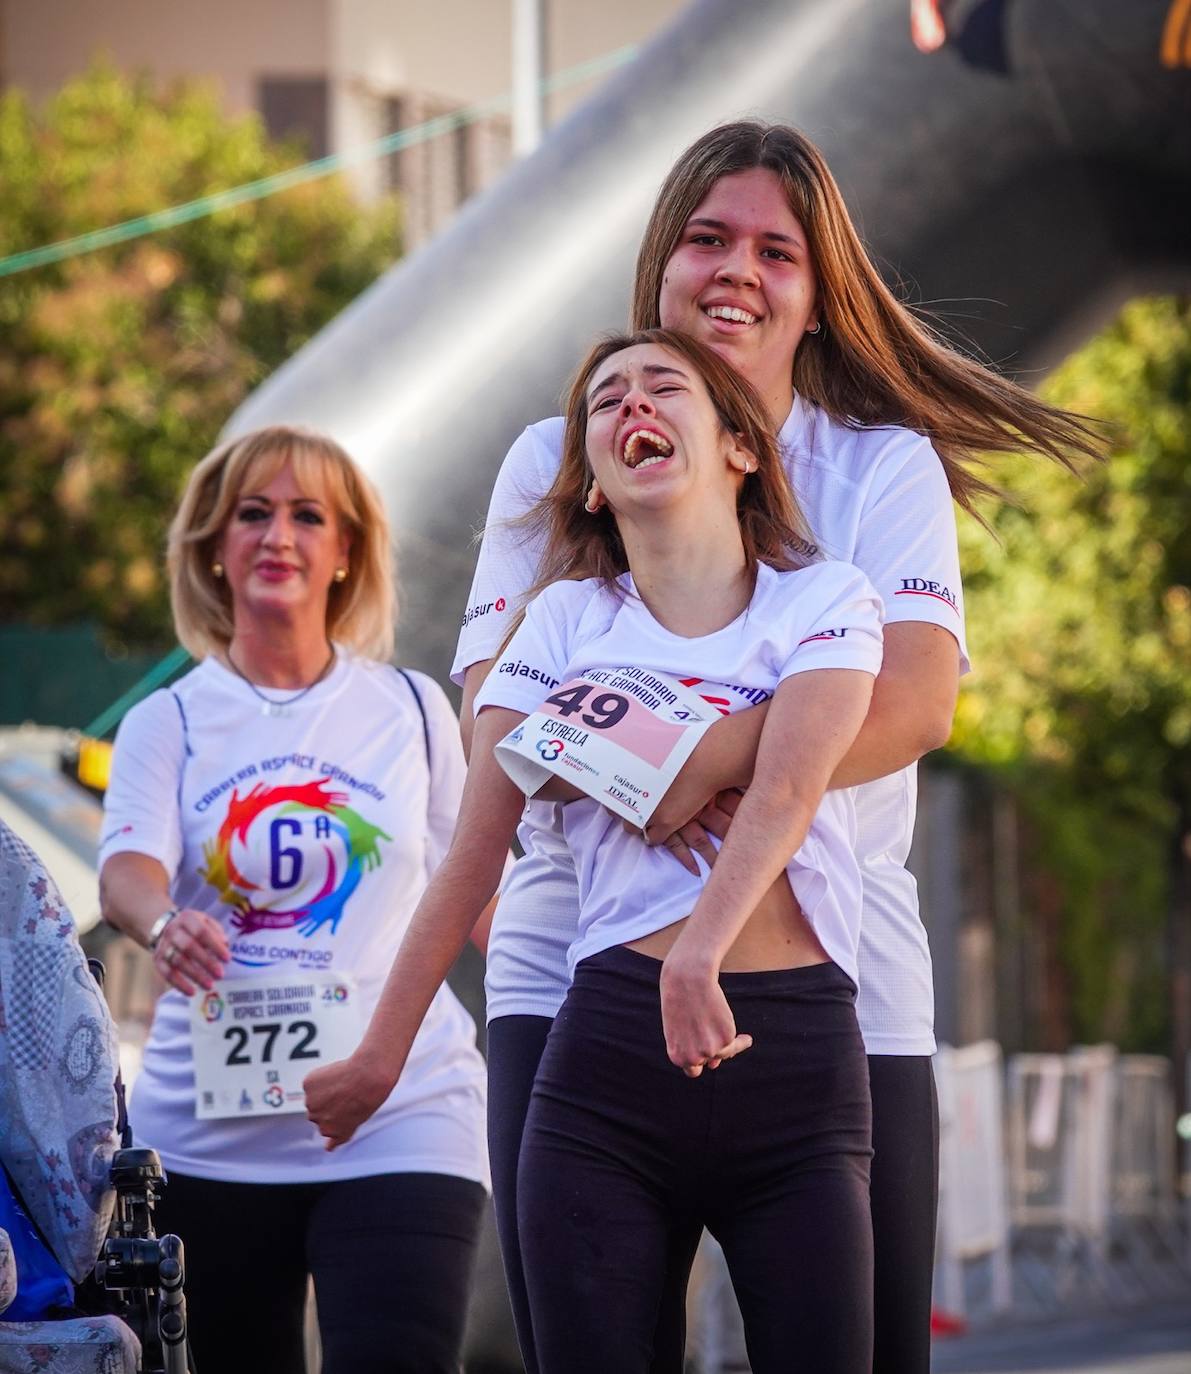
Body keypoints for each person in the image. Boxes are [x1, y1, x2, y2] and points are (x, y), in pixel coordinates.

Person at [446, 122, 1103, 1374]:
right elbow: (494, 695)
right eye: (706, 238)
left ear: (817, 296)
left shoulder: (881, 467)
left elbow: (911, 703)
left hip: (842, 998)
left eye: (776, 251)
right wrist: (693, 763)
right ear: (660, 269)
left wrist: (705, 771)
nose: (736, 269)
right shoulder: (555, 452)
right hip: (570, 979)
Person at [307, 328, 884, 1372]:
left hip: (796, 1059)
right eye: (605, 404)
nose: (632, 409)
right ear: (590, 486)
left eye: (663, 388)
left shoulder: (826, 596)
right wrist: (377, 1058)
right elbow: (475, 850)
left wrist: (700, 942)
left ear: (739, 449)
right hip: (606, 1063)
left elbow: (793, 783)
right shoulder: (564, 619)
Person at [98, 425, 489, 1374]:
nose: (279, 536)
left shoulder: (413, 707)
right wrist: (163, 923)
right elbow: (126, 874)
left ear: (346, 552)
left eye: (308, 516)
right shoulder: (169, 717)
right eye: (254, 514)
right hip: (211, 1140)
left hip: (404, 1112)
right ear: (214, 547)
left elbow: (481, 896)